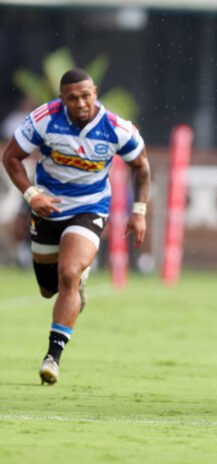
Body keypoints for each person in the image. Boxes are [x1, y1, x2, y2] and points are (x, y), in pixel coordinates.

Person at [2, 68, 150, 385]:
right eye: (72, 98)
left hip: (89, 208)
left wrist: (139, 211)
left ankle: (52, 358)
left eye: (85, 96)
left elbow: (141, 166)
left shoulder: (117, 128)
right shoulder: (44, 119)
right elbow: (11, 157)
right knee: (48, 289)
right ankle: (75, 285)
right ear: (62, 99)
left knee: (69, 273)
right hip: (47, 208)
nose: (81, 103)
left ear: (95, 92)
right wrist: (31, 195)